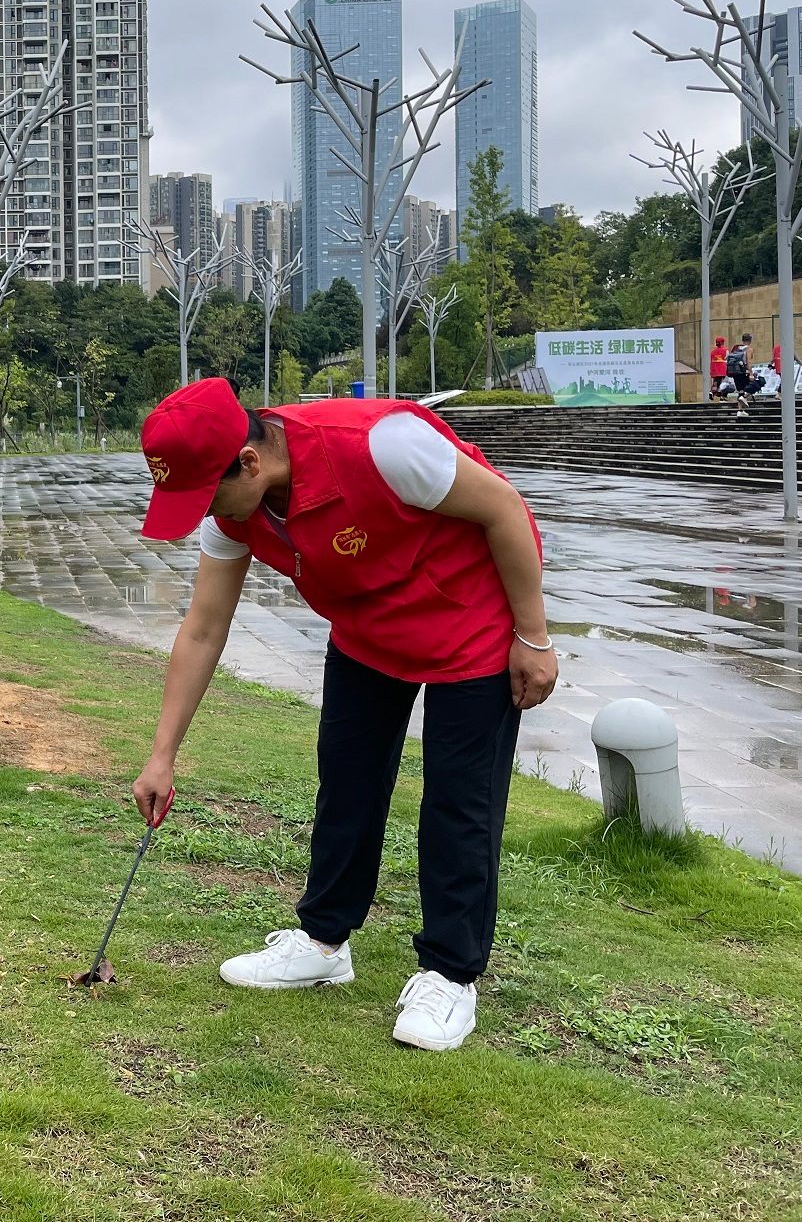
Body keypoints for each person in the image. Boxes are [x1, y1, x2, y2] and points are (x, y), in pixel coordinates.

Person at [130, 378, 555, 1053]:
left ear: (248, 462)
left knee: (458, 802)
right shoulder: (235, 511)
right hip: (367, 628)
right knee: (347, 782)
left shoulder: (382, 447)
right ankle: (324, 942)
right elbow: (204, 629)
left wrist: (532, 638)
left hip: (467, 617)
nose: (202, 516)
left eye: (204, 496)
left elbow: (503, 508)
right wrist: (162, 756)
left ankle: (450, 975)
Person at [708, 337, 728, 401]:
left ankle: (712, 392)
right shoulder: (725, 350)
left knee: (716, 381)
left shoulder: (713, 352)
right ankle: (722, 397)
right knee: (723, 383)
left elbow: (712, 360)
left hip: (715, 368)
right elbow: (727, 358)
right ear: (722, 343)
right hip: (722, 368)